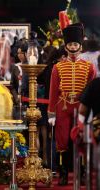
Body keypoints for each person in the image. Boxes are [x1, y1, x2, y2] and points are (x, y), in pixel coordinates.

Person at [48, 23, 96, 186]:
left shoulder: (89, 67)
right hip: (63, 107)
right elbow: (53, 91)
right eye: (70, 44)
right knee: (62, 141)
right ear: (66, 46)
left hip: (81, 107)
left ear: (80, 46)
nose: (73, 46)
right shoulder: (58, 67)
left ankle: (82, 172)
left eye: (75, 44)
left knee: (81, 138)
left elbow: (91, 90)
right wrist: (51, 112)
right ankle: (62, 173)